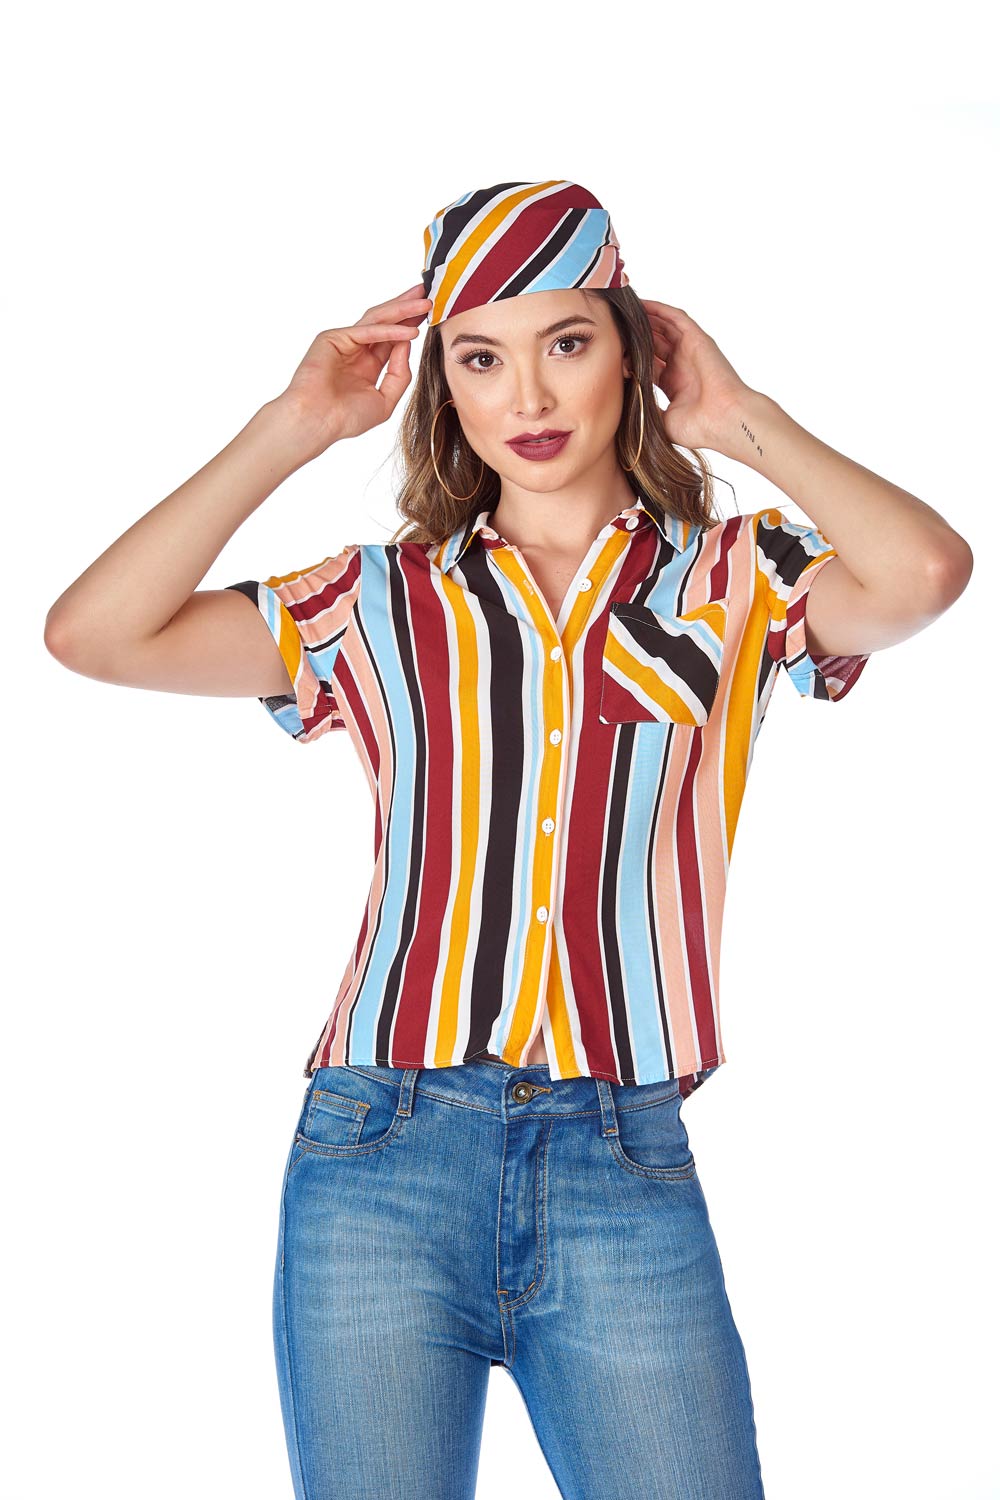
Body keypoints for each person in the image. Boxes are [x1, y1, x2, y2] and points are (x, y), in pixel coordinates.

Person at [44, 180, 974, 1500]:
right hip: (379, 1151)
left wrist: (739, 418)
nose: (527, 396)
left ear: (631, 352)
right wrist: (291, 427)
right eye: (480, 357)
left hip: (620, 1157)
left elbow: (926, 573)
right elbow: (93, 634)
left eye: (567, 343)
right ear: (446, 385)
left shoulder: (739, 578)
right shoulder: (373, 600)